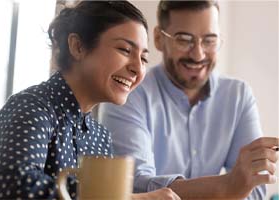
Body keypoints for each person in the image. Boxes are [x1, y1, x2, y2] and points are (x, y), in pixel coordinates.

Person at [0, 1, 181, 200]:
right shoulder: (31, 107)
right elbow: (15, 189)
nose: (137, 68)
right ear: (77, 47)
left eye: (144, 58)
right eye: (125, 50)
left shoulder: (100, 136)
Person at [99, 0, 279, 199]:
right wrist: (227, 186)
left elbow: (254, 191)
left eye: (209, 40)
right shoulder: (128, 92)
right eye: (184, 39)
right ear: (159, 39)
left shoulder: (238, 96)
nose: (198, 54)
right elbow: (134, 187)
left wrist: (237, 185)